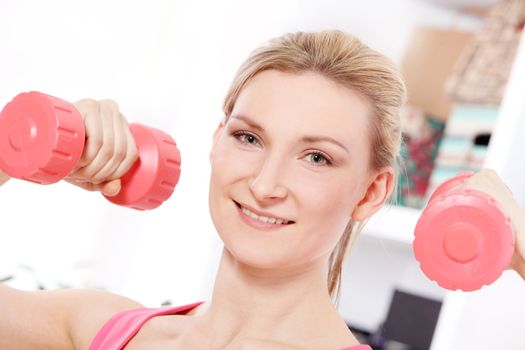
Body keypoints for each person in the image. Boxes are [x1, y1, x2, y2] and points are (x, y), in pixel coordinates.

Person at [0, 30, 524, 350]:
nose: (265, 184)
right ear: (216, 142)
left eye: (316, 157)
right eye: (249, 138)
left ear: (370, 193)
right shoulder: (104, 328)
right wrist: (15, 148)